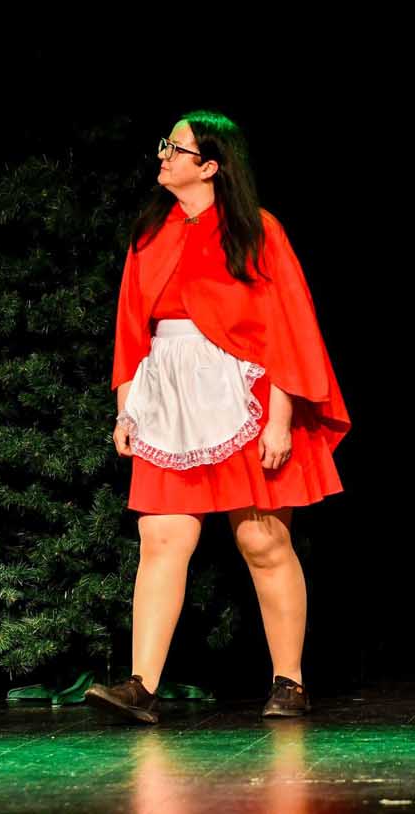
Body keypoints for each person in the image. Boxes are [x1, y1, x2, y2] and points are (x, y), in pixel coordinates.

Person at [85, 111, 349, 725]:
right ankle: (141, 686)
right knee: (162, 536)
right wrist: (127, 410)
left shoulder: (256, 229)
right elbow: (131, 329)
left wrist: (279, 418)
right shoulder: (149, 235)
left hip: (242, 396)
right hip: (168, 399)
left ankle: (290, 681)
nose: (162, 155)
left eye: (174, 148)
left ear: (210, 165)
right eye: (165, 146)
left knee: (261, 538)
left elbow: (288, 327)